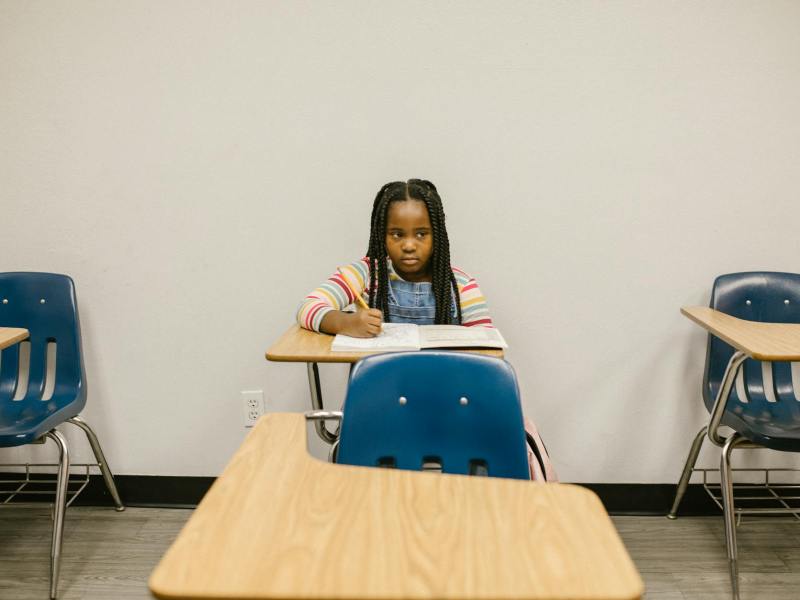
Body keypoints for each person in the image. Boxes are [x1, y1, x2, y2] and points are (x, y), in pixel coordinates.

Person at [297, 179, 493, 337]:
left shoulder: (461, 286)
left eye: (421, 234)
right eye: (397, 234)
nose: (408, 246)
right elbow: (306, 308)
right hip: (380, 385)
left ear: (437, 237)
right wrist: (346, 323)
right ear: (382, 236)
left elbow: (487, 347)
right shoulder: (365, 274)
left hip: (443, 385)